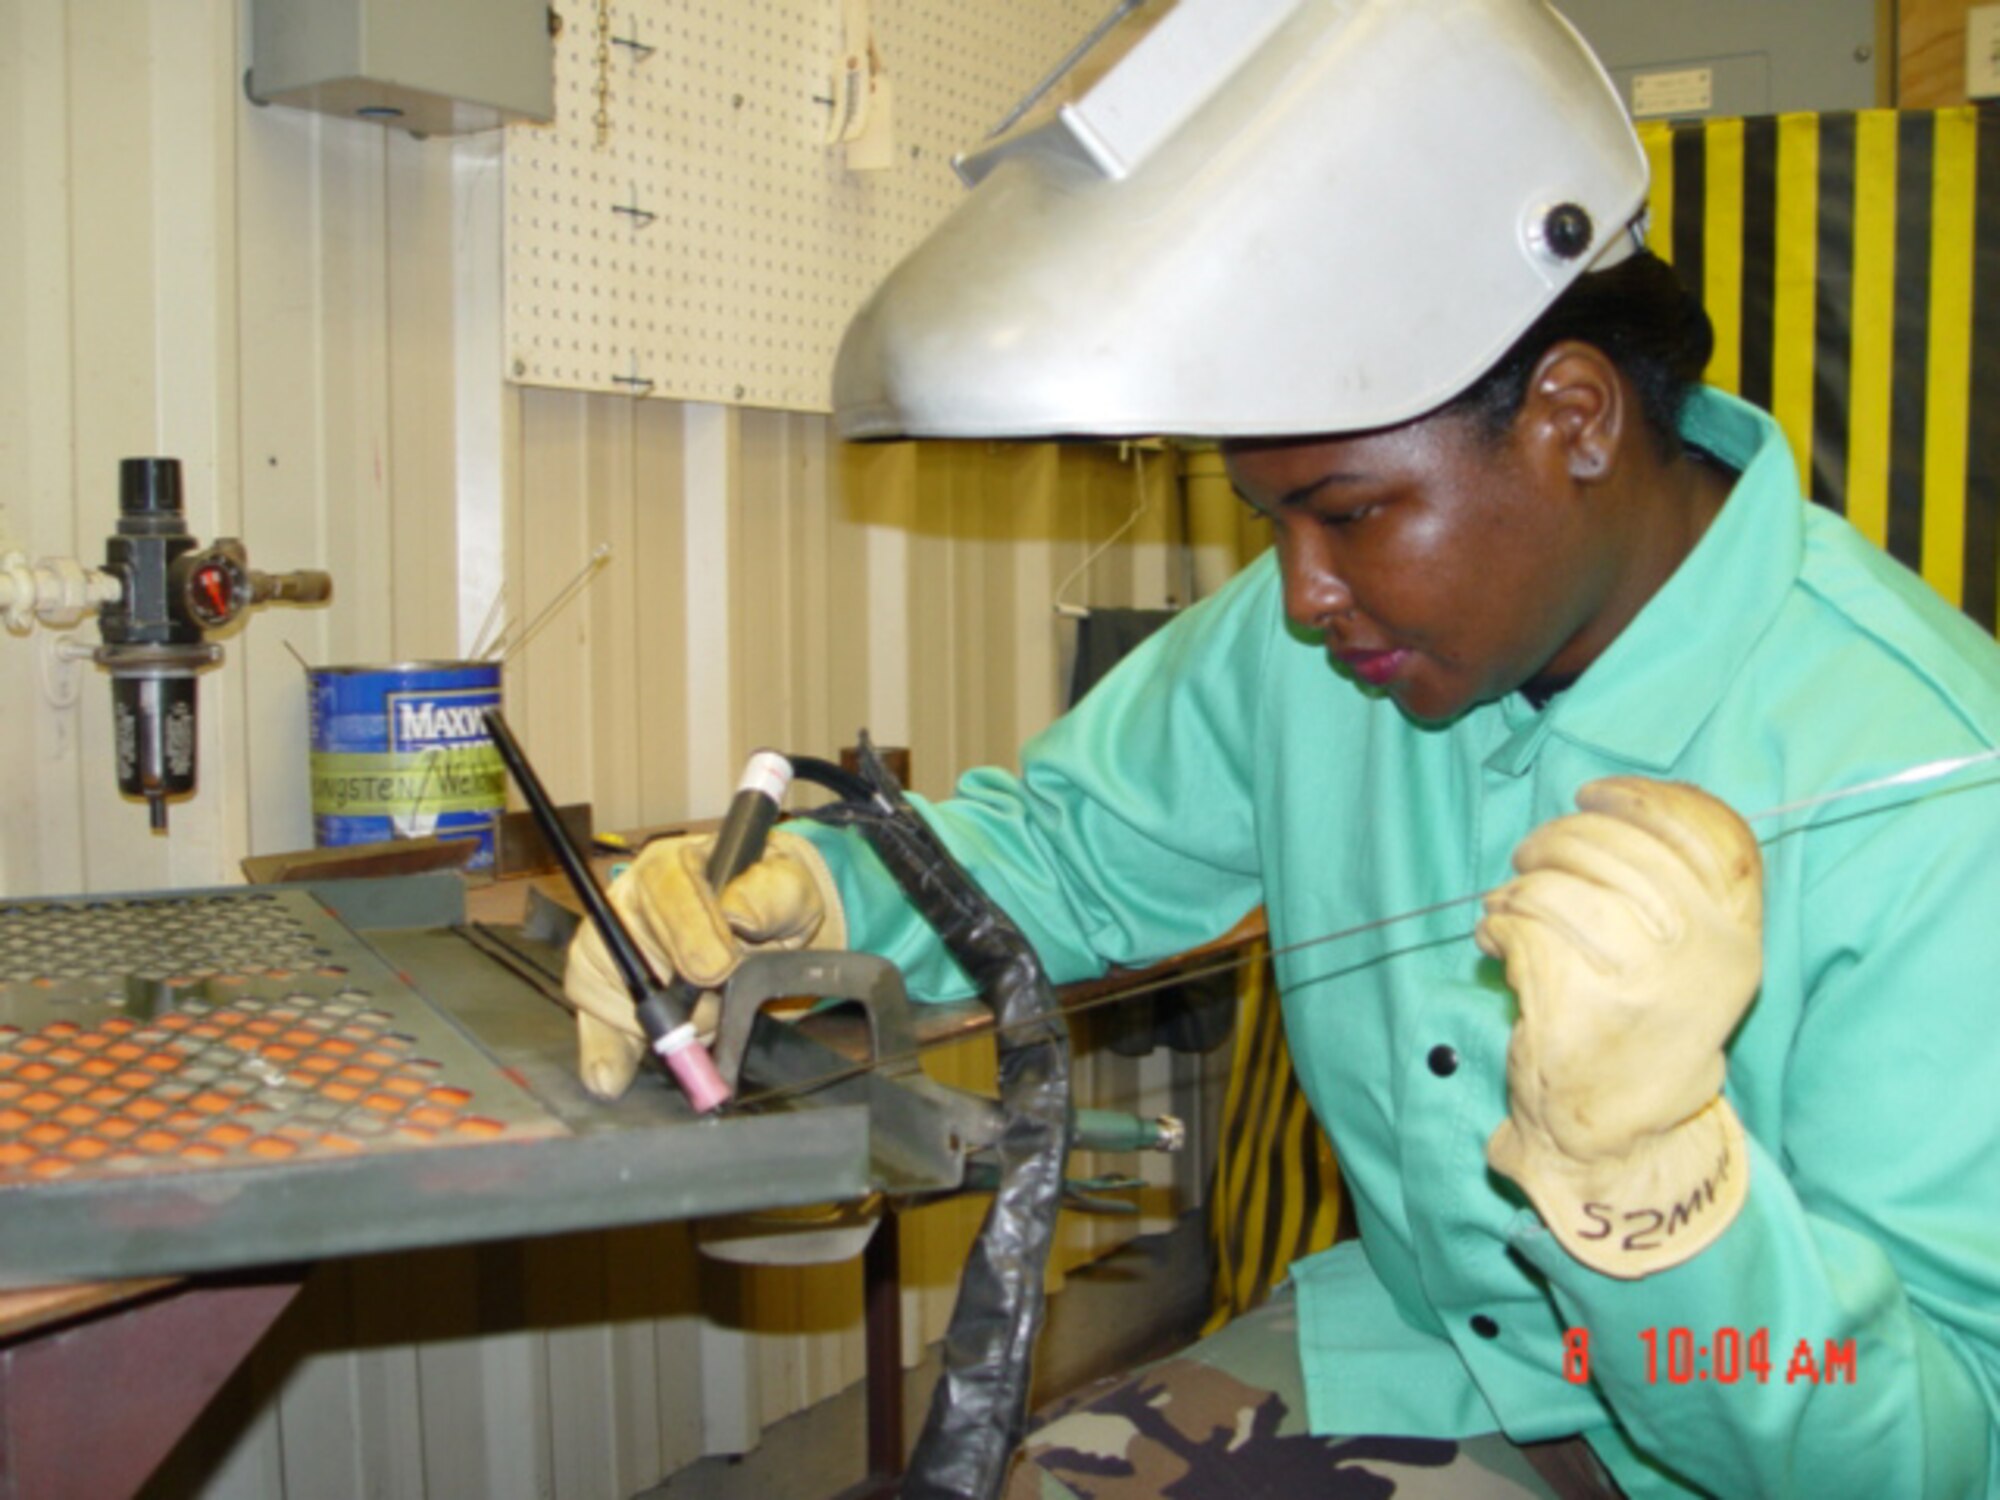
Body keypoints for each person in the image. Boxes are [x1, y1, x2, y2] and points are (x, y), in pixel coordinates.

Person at [566, 1, 2000, 1495]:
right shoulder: (1326, 633)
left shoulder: (1936, 789)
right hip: (1420, 1352)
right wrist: (809, 896)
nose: (1303, 596)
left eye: (1352, 512)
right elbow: (1063, 851)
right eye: (1273, 522)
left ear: (1572, 417)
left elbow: (1935, 1449)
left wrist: (1666, 1199)